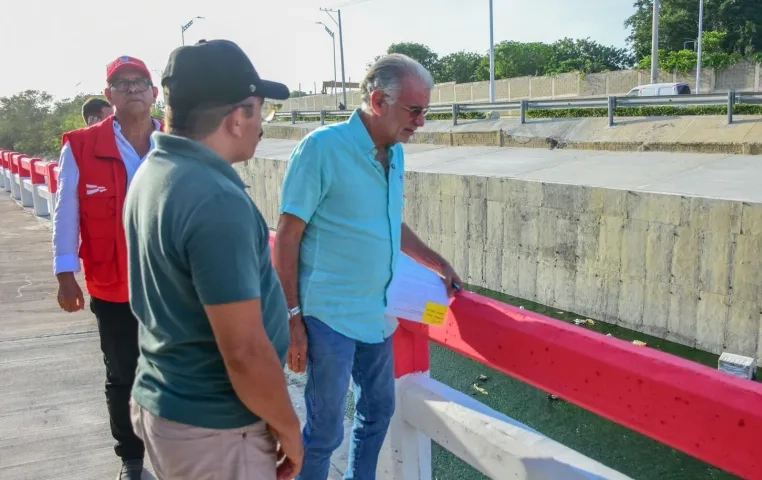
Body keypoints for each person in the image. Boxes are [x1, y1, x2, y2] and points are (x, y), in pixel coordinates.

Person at [274, 53, 462, 480]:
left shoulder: (394, 153)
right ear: (378, 100)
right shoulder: (322, 148)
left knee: (378, 413)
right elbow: (287, 235)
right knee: (323, 431)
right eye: (414, 111)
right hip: (329, 316)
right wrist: (292, 319)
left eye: (425, 111)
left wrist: (437, 262)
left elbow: (389, 221)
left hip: (379, 315)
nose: (421, 122)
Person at [123, 39, 302, 480]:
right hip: (215, 430)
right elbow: (244, 351)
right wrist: (289, 427)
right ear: (238, 116)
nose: (263, 124)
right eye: (262, 111)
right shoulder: (214, 198)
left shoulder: (154, 171)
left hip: (167, 403)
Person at [52, 55, 162, 480]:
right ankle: (132, 462)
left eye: (141, 82)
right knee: (123, 375)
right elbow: (66, 211)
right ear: (109, 95)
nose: (133, 89)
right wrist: (65, 273)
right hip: (112, 284)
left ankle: (174, 454)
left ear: (154, 93)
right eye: (123, 83)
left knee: (176, 371)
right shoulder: (81, 145)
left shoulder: (176, 143)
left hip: (170, 287)